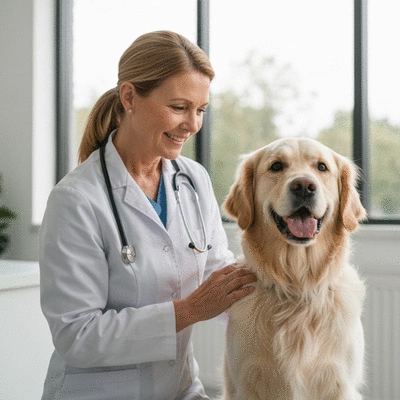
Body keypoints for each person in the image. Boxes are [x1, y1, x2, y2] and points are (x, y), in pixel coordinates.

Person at [39, 30, 257, 400]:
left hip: (181, 389)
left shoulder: (193, 179)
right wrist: (188, 311)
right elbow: (76, 336)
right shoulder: (76, 200)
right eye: (178, 107)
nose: (193, 124)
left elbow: (218, 278)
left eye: (200, 109)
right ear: (129, 97)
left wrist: (292, 292)